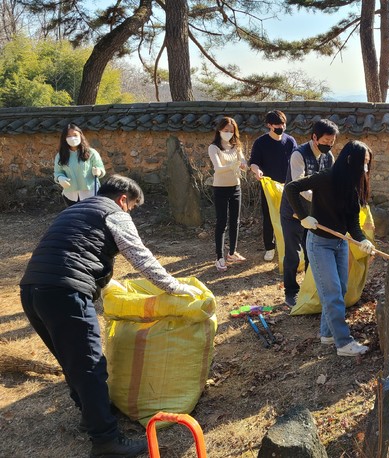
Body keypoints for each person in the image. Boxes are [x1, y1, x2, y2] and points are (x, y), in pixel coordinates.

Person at [19, 175, 202, 458]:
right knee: (90, 366)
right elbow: (140, 257)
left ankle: (92, 416)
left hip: (32, 290)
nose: (131, 213)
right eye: (132, 207)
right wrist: (175, 287)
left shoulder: (76, 210)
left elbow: (77, 250)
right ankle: (106, 442)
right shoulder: (114, 213)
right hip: (65, 291)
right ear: (122, 199)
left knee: (73, 361)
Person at [284, 140, 375, 357]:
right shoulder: (326, 177)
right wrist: (305, 217)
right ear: (351, 160)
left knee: (340, 290)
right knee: (332, 292)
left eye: (368, 164)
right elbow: (291, 188)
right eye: (363, 162)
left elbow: (353, 222)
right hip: (319, 244)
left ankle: (327, 333)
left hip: (340, 243)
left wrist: (363, 240)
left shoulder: (353, 187)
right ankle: (343, 343)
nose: (365, 168)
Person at [279, 119, 338, 307]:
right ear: (314, 137)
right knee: (293, 254)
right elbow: (298, 187)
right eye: (326, 140)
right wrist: (323, 200)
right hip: (293, 212)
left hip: (314, 214)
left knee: (312, 252)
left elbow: (332, 183)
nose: (329, 145)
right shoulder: (298, 155)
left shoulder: (329, 157)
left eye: (332, 142)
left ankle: (310, 288)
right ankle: (291, 291)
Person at [248, 110, 298, 262]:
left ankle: (290, 246)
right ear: (269, 125)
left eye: (283, 124)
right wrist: (257, 171)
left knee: (291, 217)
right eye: (277, 124)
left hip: (288, 186)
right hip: (269, 186)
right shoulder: (261, 142)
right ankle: (269, 247)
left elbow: (296, 161)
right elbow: (254, 162)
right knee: (269, 216)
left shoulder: (290, 141)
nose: (281, 127)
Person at [208, 116, 247, 272]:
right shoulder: (214, 147)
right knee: (222, 222)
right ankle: (219, 257)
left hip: (235, 187)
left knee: (235, 221)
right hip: (220, 188)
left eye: (231, 131)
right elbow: (218, 168)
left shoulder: (236, 146)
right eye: (226, 130)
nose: (229, 133)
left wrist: (243, 165)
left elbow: (243, 163)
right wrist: (233, 165)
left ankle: (232, 252)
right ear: (219, 130)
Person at [53, 123, 106, 206]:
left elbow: (101, 168)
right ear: (64, 138)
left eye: (75, 135)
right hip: (70, 195)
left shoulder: (91, 153)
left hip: (91, 193)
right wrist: (60, 178)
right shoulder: (60, 156)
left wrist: (99, 171)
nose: (72, 138)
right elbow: (57, 172)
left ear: (80, 135)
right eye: (68, 136)